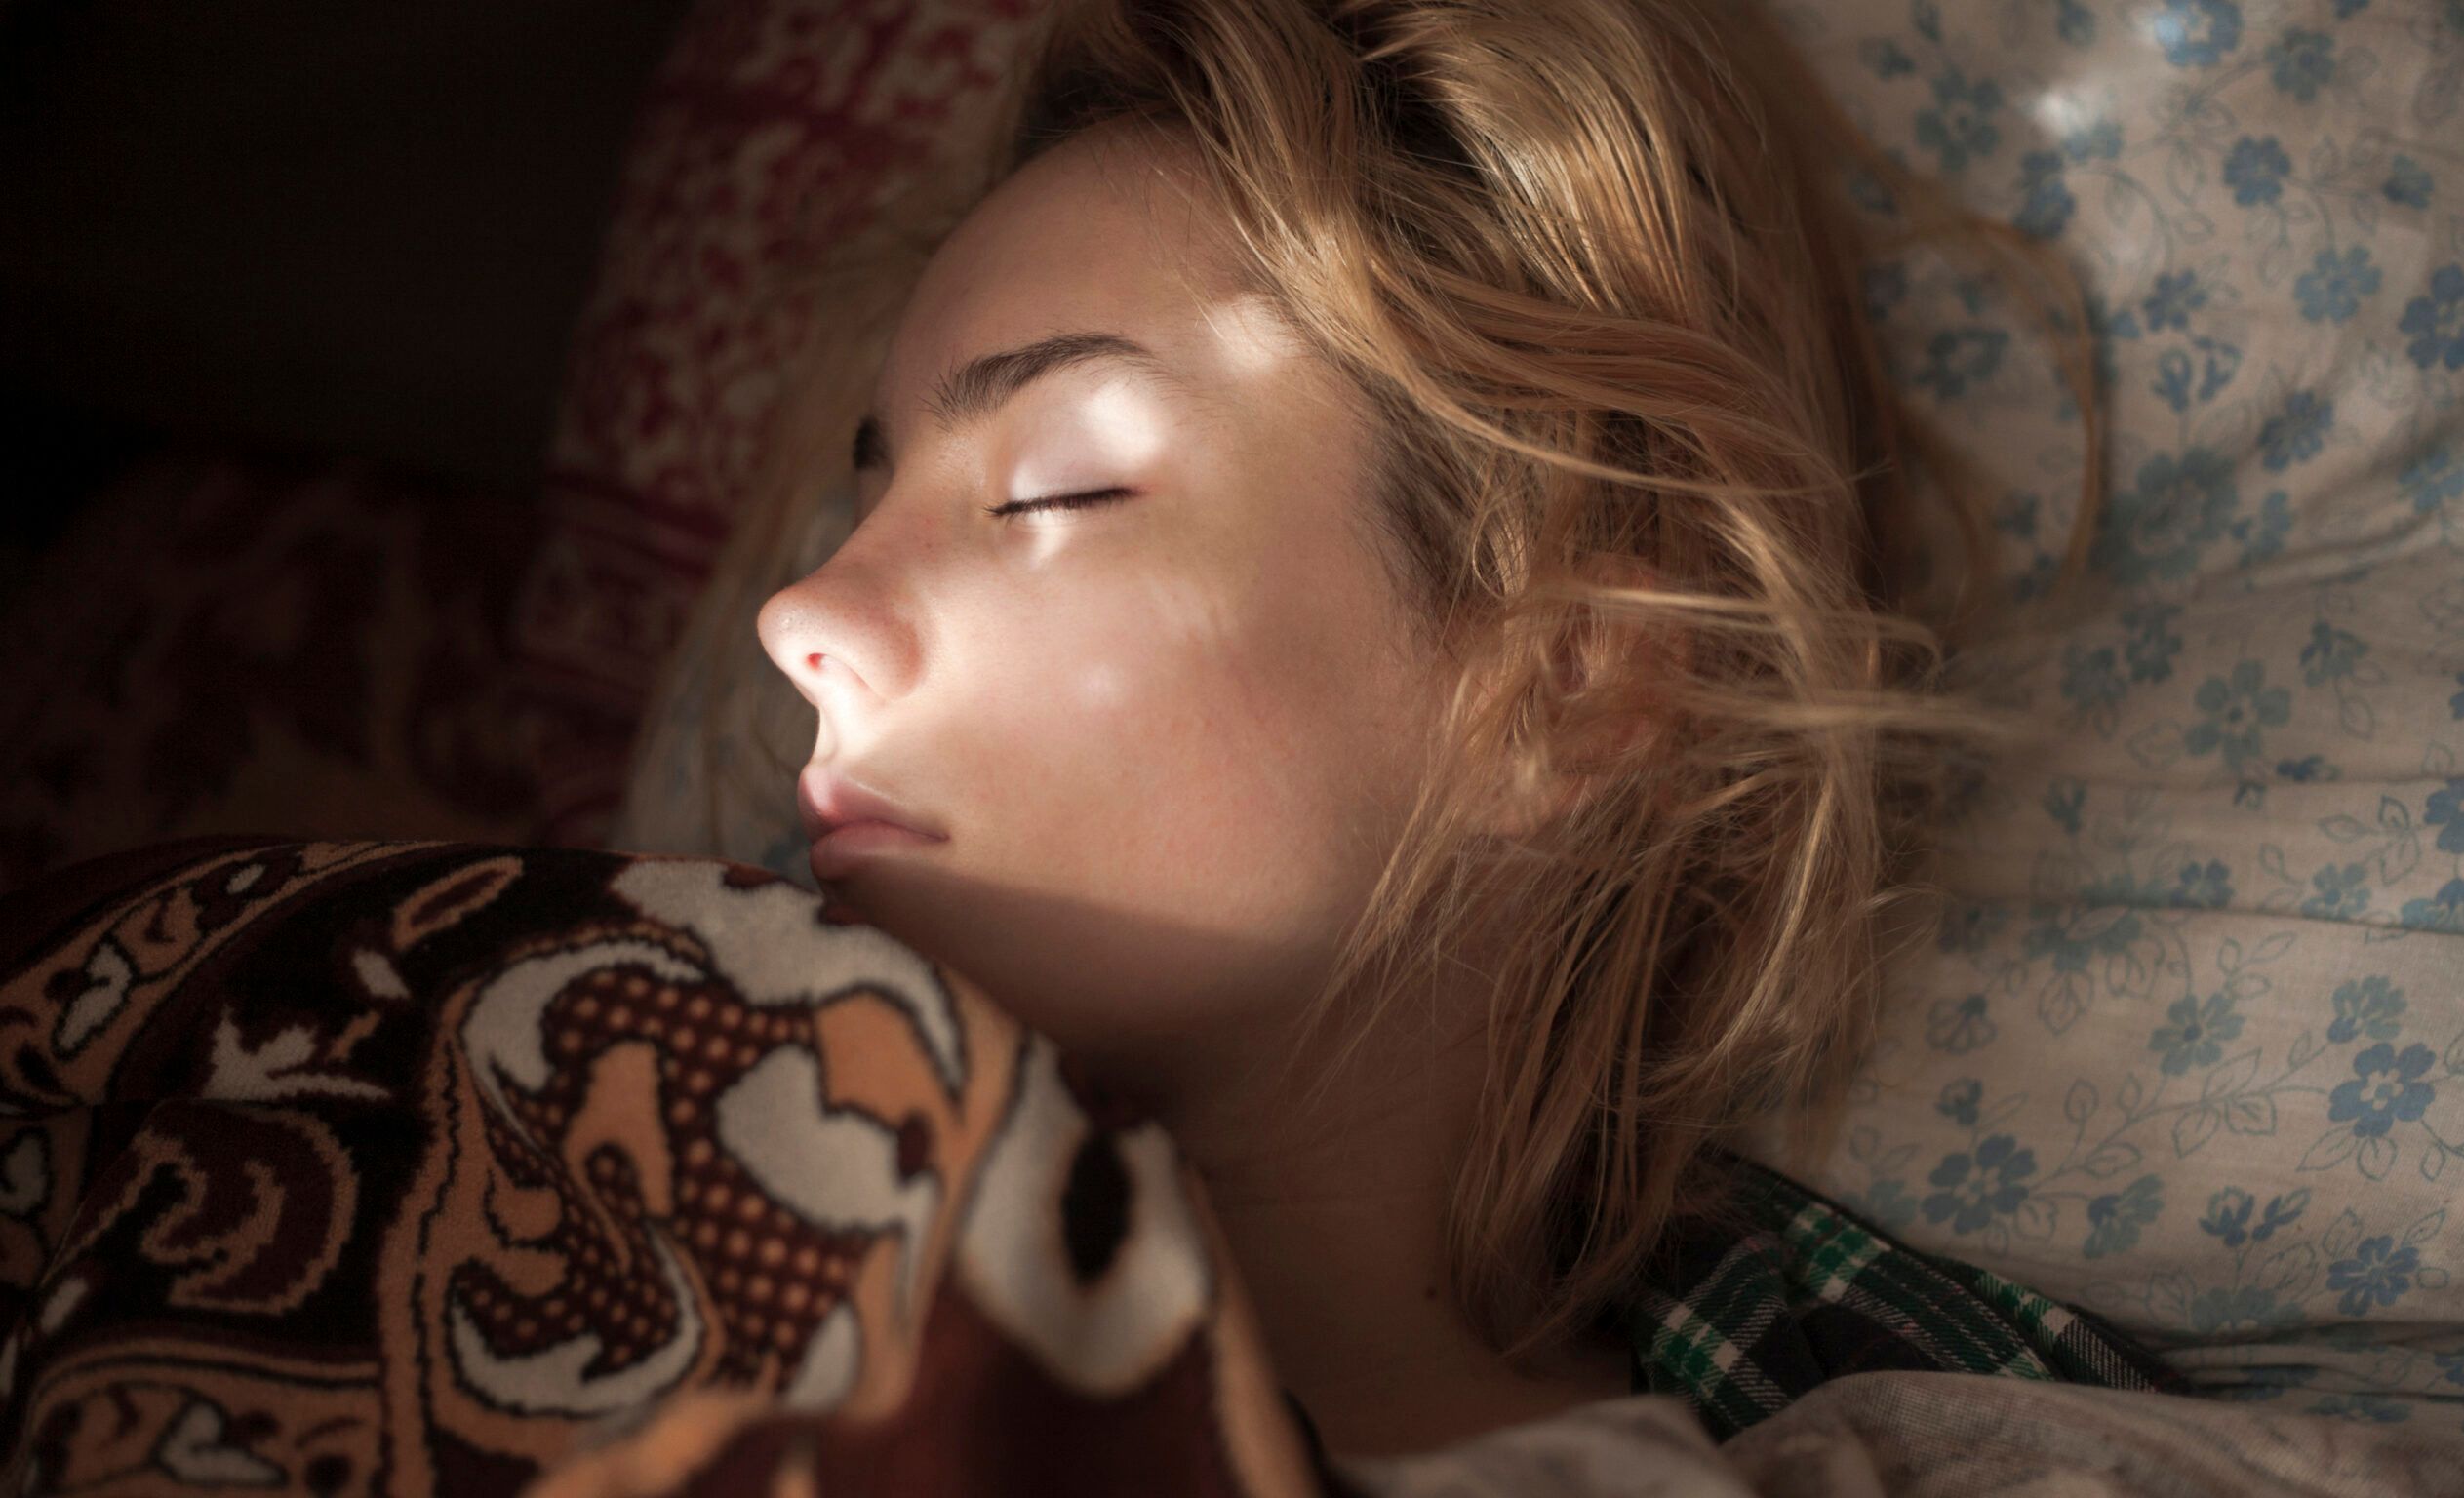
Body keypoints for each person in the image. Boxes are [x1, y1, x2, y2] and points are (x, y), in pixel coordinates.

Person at [747, 0, 2133, 1462]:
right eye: (865, 496)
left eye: (1054, 492)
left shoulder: (1965, 1439)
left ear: (1570, 681)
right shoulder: (551, 1122)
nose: (797, 613)